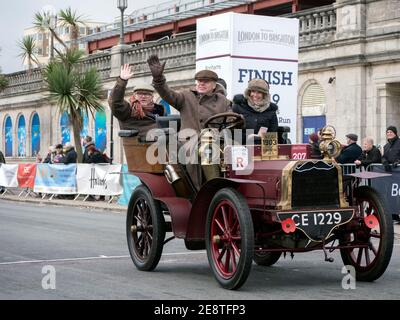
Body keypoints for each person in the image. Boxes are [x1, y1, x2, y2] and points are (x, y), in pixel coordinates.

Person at [147, 54, 232, 189]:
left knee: (241, 151)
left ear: (214, 85)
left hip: (218, 141)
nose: (201, 84)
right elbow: (167, 94)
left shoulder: (223, 101)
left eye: (206, 81)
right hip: (191, 142)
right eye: (199, 81)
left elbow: (232, 120)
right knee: (208, 149)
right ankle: (213, 189)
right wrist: (158, 79)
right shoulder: (186, 96)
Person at [108, 64, 165, 140]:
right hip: (140, 147)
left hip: (162, 145)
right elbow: (115, 102)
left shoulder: (160, 111)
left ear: (152, 97)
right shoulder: (128, 111)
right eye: (140, 94)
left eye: (147, 94)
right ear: (134, 96)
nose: (143, 96)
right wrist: (122, 81)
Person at [232, 78, 278, 143]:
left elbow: (272, 134)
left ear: (264, 95)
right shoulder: (238, 107)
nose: (255, 95)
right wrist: (248, 137)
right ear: (249, 92)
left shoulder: (271, 111)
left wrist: (261, 138)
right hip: (240, 146)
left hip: (262, 148)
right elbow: (232, 131)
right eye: (253, 91)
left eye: (259, 92)